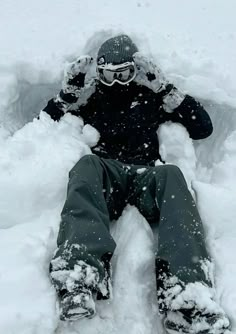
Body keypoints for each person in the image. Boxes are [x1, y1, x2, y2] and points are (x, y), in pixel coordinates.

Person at [43, 35, 230, 333]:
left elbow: (203, 128)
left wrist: (165, 90)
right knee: (85, 165)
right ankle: (80, 275)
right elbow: (43, 127)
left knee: (172, 173)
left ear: (136, 71)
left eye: (124, 75)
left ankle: (186, 291)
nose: (116, 83)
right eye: (108, 75)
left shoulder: (149, 97)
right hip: (107, 176)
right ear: (99, 72)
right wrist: (65, 98)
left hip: (147, 176)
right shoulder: (91, 99)